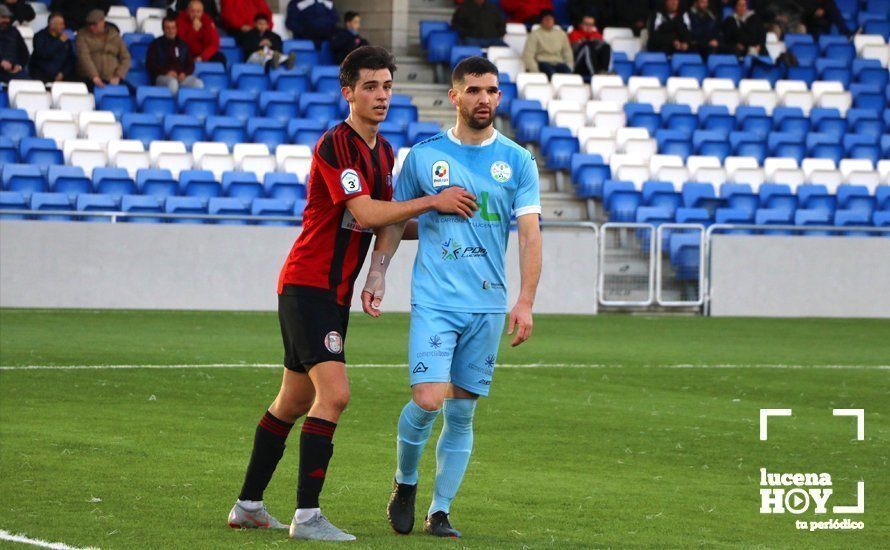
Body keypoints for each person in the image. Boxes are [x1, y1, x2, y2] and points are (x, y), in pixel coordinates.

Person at [226, 45, 478, 542]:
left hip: (329, 293)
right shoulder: (337, 144)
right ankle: (307, 516)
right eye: (370, 86)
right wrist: (433, 201)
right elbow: (365, 214)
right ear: (348, 92)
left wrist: (445, 222)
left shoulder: (383, 152)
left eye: (387, 85)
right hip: (308, 285)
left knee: (291, 402)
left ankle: (248, 505)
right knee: (335, 396)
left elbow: (388, 222)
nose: (382, 95)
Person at [380, 55, 542, 539]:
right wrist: (377, 274)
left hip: (488, 304)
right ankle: (405, 481)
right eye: (474, 90)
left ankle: (440, 511)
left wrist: (526, 300)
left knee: (463, 409)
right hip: (435, 299)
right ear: (454, 96)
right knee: (429, 400)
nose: (485, 99)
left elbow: (531, 236)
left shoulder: (517, 160)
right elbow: (392, 220)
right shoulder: (423, 156)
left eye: (492, 91)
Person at [146, 15, 204, 93]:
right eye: (168, 28)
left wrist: (184, 73)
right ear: (163, 29)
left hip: (181, 77)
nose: (171, 31)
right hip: (163, 77)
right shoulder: (156, 44)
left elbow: (191, 64)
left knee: (198, 84)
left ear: (176, 29)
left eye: (173, 28)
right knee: (173, 83)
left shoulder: (183, 44)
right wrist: (166, 72)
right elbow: (150, 64)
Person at [75, 9, 130, 89]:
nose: (91, 27)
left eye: (95, 24)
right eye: (90, 24)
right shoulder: (82, 36)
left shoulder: (114, 35)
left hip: (112, 78)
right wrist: (94, 76)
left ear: (102, 22)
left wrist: (118, 76)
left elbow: (126, 57)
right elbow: (84, 57)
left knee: (131, 92)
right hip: (89, 79)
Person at [522, 9, 574, 78]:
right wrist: (536, 72)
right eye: (546, 19)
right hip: (542, 63)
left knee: (568, 75)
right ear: (541, 20)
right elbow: (528, 55)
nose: (549, 21)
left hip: (558, 63)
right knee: (553, 75)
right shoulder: (534, 34)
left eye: (551, 19)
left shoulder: (561, 34)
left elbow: (568, 54)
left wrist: (569, 67)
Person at [29, 12, 75, 83]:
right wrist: (59, 42)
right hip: (42, 73)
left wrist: (62, 73)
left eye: (63, 24)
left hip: (61, 74)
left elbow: (70, 59)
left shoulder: (65, 39)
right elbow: (43, 54)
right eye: (60, 24)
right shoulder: (39, 36)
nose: (63, 27)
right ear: (51, 25)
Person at [568, 13, 611, 77]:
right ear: (580, 24)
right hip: (578, 64)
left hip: (594, 61)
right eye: (586, 24)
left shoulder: (596, 34)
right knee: (587, 46)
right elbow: (573, 50)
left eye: (591, 24)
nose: (589, 26)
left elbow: (602, 46)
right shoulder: (573, 34)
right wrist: (586, 42)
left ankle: (604, 71)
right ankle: (595, 75)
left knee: (606, 46)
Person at [0, 4, 28, 82]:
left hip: (14, 71)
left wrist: (19, 66)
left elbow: (24, 53)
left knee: (30, 84)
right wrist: (1, 62)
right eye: (3, 17)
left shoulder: (14, 31)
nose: (7, 20)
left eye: (8, 17)